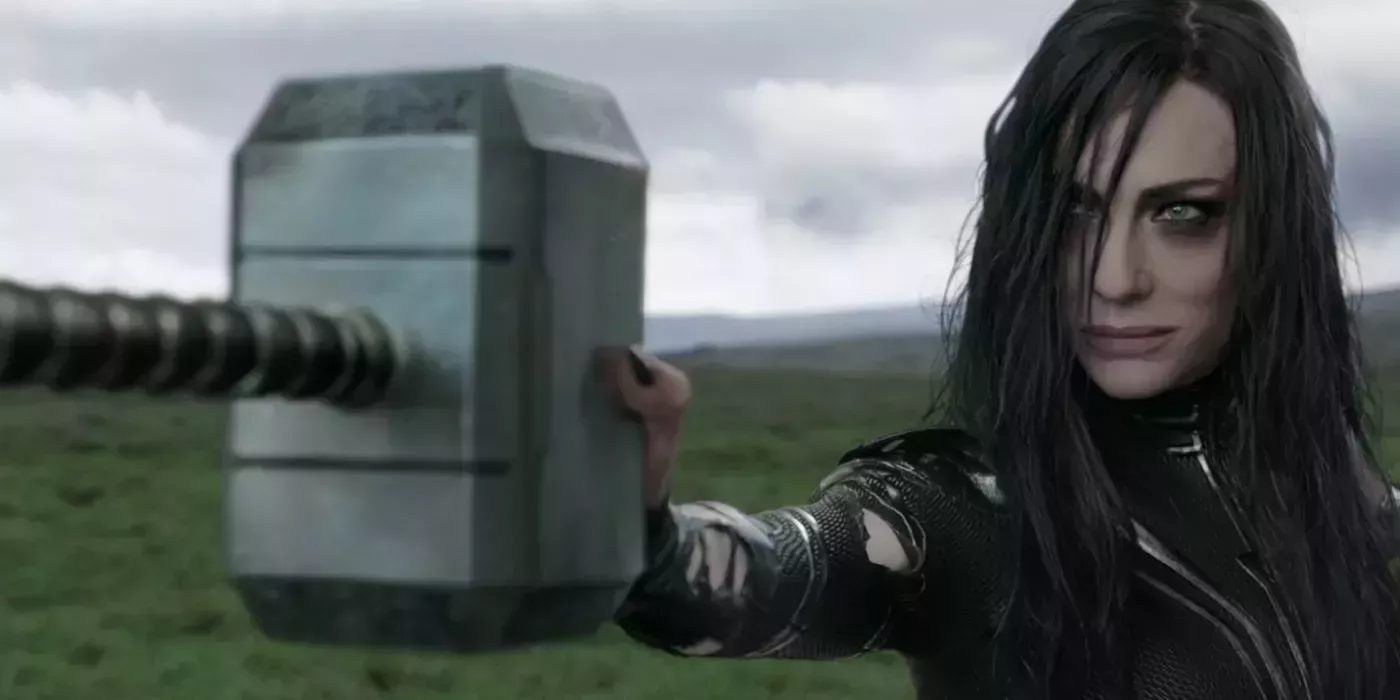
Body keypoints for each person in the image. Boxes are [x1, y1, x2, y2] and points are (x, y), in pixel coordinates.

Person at [601, 0, 1400, 698]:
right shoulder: (962, 515)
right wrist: (634, 529)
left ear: (1274, 231)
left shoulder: (1358, 513)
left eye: (1181, 214)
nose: (1114, 279)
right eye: (1076, 211)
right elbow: (767, 578)